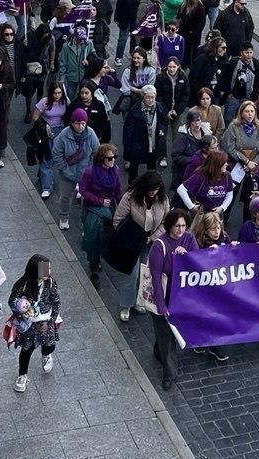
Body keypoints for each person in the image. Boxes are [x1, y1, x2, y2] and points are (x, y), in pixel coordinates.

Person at [110, 171, 170, 322]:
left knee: (145, 272)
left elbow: (166, 222)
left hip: (151, 242)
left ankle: (139, 302)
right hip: (132, 242)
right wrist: (125, 237)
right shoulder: (130, 197)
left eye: (156, 189)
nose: (153, 192)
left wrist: (153, 238)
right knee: (132, 274)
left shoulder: (162, 200)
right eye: (151, 189)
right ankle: (126, 305)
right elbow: (118, 219)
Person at [149, 208, 197, 390]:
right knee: (167, 335)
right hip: (164, 293)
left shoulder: (189, 239)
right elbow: (155, 278)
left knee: (166, 334)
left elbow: (198, 263)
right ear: (170, 225)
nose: (181, 229)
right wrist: (161, 304)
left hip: (181, 295)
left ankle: (158, 349)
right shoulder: (159, 245)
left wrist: (187, 256)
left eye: (184, 225)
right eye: (177, 226)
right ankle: (169, 374)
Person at [8, 255, 62, 393]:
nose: (48, 272)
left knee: (50, 344)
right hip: (29, 324)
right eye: (45, 269)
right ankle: (22, 375)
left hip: (46, 321)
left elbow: (56, 301)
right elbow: (12, 301)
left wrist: (51, 320)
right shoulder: (23, 285)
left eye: (49, 268)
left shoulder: (50, 283)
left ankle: (46, 355)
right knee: (26, 350)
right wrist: (22, 312)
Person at [79, 145, 124, 285]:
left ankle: (98, 258)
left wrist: (119, 209)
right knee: (93, 238)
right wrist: (99, 201)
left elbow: (117, 190)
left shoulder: (115, 170)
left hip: (108, 208)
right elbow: (83, 190)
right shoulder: (90, 172)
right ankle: (93, 266)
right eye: (109, 158)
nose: (113, 161)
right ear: (101, 158)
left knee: (105, 237)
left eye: (115, 157)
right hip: (93, 208)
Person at [50, 109, 99, 232]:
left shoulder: (91, 134)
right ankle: (64, 217)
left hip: (85, 174)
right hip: (67, 174)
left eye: (83, 123)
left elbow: (97, 152)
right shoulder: (64, 135)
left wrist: (90, 169)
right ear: (72, 123)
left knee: (86, 199)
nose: (80, 126)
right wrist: (64, 168)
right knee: (65, 197)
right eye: (77, 123)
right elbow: (56, 153)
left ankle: (85, 223)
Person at [123, 85, 166, 181]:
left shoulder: (159, 107)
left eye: (152, 97)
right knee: (134, 169)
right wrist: (129, 147)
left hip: (153, 143)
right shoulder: (134, 110)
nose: (150, 100)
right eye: (148, 97)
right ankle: (132, 188)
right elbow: (128, 131)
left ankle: (151, 186)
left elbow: (164, 121)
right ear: (143, 97)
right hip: (138, 144)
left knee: (152, 168)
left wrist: (161, 129)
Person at [178, 150, 234, 216]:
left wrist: (222, 207)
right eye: (224, 162)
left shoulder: (227, 176)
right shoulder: (200, 176)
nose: (226, 164)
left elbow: (229, 194)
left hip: (217, 215)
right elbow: (181, 189)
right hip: (201, 214)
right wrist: (191, 207)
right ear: (216, 164)